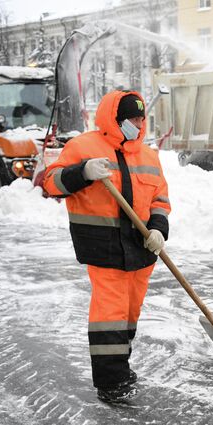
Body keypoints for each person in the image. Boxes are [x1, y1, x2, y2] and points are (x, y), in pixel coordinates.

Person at [43, 91, 171, 403]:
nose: (138, 124)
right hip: (104, 245)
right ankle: (112, 380)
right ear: (115, 118)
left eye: (142, 118)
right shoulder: (83, 147)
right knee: (110, 313)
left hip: (141, 248)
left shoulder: (149, 156)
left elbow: (160, 199)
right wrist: (82, 173)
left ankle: (118, 362)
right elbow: (51, 182)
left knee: (129, 313)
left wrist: (158, 229)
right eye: (132, 118)